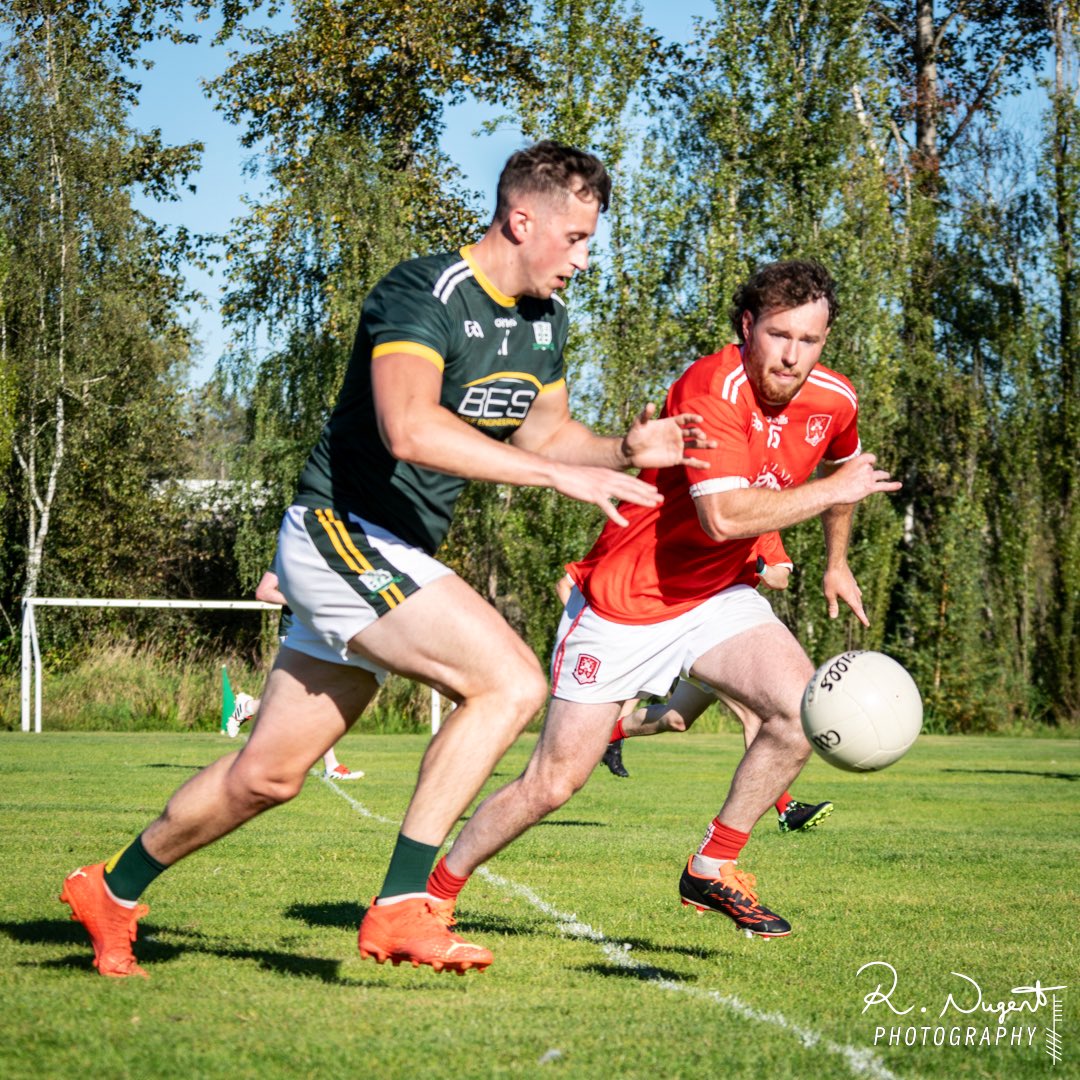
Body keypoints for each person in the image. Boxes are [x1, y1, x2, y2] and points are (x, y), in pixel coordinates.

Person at [59, 140, 712, 979]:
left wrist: (622, 447)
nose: (584, 260)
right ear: (522, 220)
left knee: (267, 777)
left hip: (384, 554)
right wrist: (558, 477)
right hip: (340, 531)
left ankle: (109, 891)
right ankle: (405, 907)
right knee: (509, 682)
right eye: (577, 238)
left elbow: (551, 432)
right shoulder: (423, 290)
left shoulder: (543, 325)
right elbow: (410, 426)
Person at [423, 259, 901, 947]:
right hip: (625, 602)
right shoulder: (711, 387)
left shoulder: (834, 399)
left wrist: (836, 561)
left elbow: (838, 469)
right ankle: (435, 894)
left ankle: (713, 864)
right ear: (747, 327)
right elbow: (726, 518)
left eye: (810, 341)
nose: (794, 356)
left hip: (717, 597)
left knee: (800, 710)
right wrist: (833, 495)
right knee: (552, 785)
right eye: (780, 335)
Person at [604, 538, 835, 833]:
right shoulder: (712, 510)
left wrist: (756, 563)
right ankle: (786, 808)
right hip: (703, 630)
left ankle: (606, 736)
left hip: (733, 633)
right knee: (757, 715)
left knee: (676, 718)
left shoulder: (765, 525)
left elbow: (780, 579)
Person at [226, 572, 365, 782]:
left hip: (320, 635)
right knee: (318, 698)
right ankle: (332, 766)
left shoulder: (331, 553)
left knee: (306, 699)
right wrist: (301, 601)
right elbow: (264, 592)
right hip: (296, 635)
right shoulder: (291, 549)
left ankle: (248, 708)